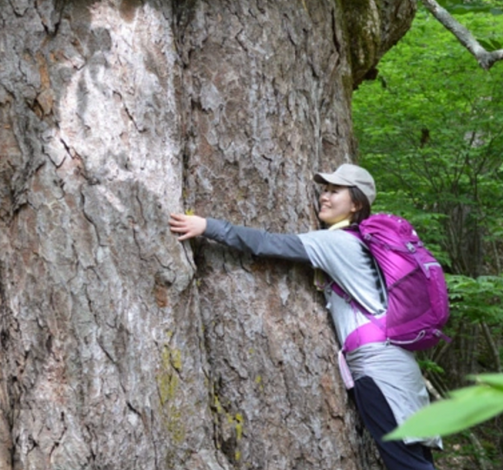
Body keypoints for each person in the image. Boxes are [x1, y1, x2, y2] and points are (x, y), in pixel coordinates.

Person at [169, 163, 440, 470]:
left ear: (356, 204)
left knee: (405, 464)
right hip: (399, 366)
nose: (324, 197)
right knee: (415, 459)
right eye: (324, 190)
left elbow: (266, 243)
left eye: (334, 191)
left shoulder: (336, 242)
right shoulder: (363, 243)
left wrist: (208, 227)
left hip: (378, 370)